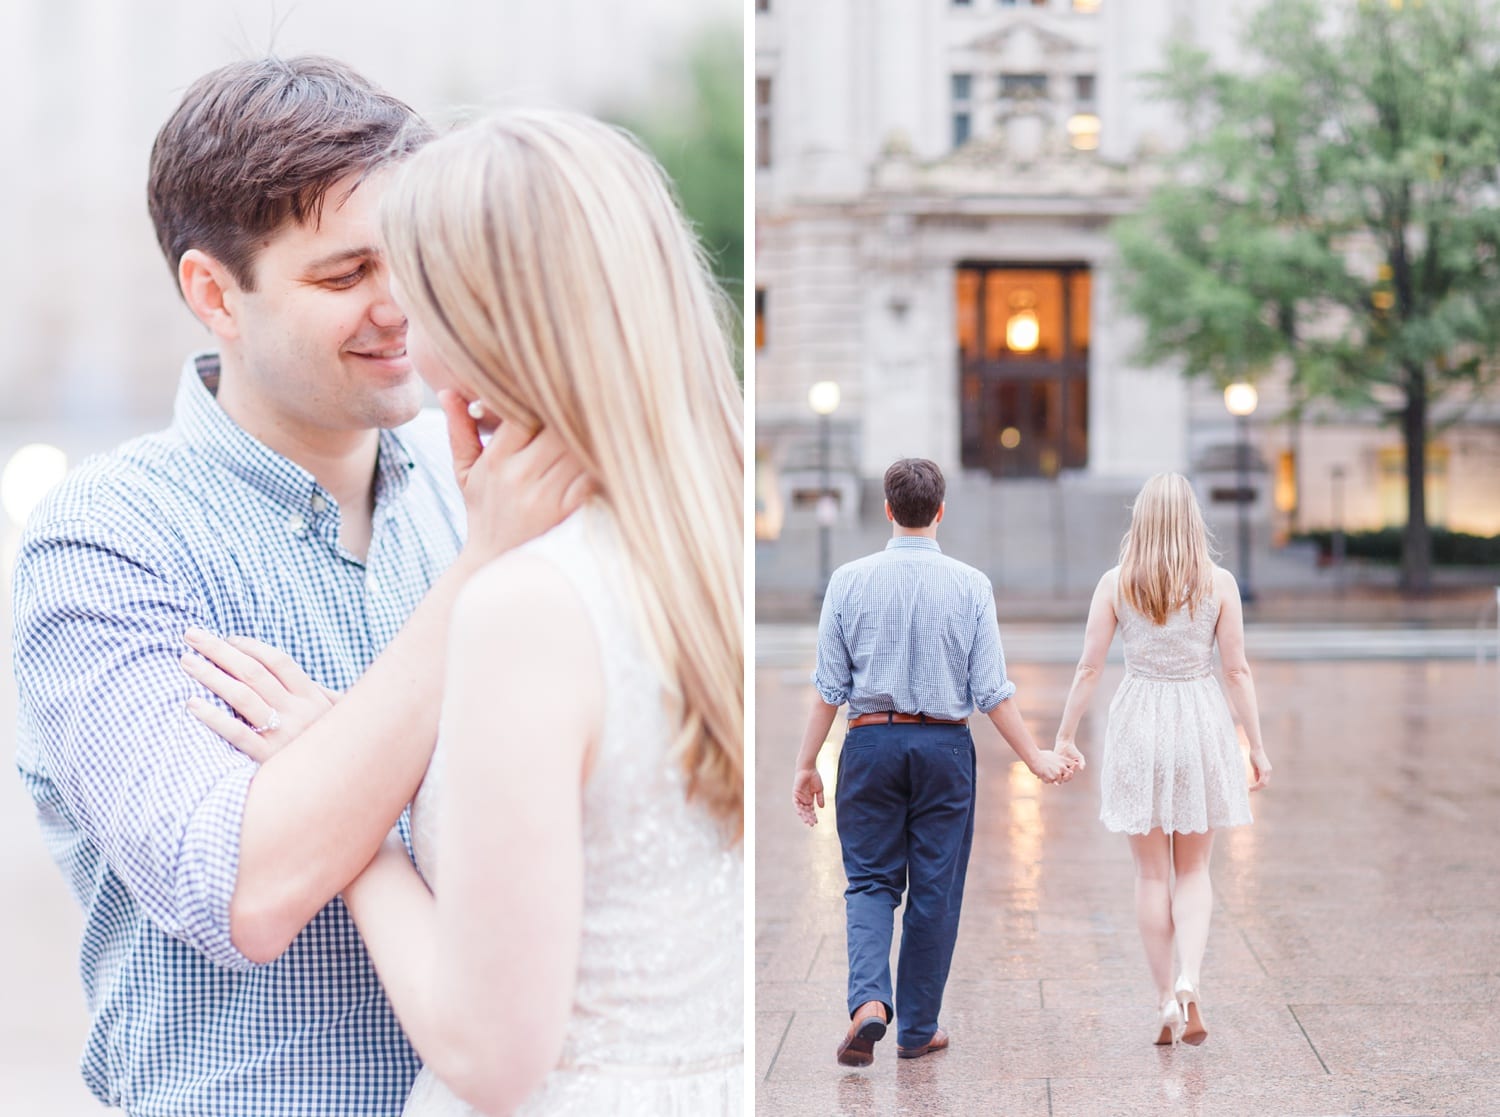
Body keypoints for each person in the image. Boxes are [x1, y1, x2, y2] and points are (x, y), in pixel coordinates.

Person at [12, 57, 586, 1115]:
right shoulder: (105, 542)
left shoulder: (473, 494)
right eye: (344, 275)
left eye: (413, 258)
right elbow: (242, 887)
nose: (400, 307)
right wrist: (477, 576)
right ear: (213, 294)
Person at [182, 109, 745, 1115]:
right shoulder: (713, 536)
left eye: (411, 281)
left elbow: (490, 1056)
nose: (398, 319)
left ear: (477, 313)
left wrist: (360, 837)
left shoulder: (529, 605)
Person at [791, 458, 1075, 1067]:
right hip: (945, 748)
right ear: (940, 511)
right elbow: (992, 689)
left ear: (889, 510)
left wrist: (806, 762)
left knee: (869, 881)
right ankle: (917, 1029)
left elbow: (828, 687)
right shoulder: (971, 585)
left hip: (869, 744)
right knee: (934, 892)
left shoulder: (847, 580)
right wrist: (1035, 758)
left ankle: (868, 1002)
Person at [1052, 472, 1272, 1047]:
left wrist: (1066, 735)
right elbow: (1237, 670)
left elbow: (1089, 668)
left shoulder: (1115, 583)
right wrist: (1258, 745)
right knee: (1195, 869)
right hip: (1199, 717)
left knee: (1151, 873)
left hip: (1140, 720)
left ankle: (1163, 1002)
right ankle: (1190, 978)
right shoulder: (1219, 583)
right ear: (1193, 519)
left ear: (1140, 520)